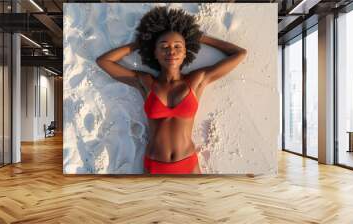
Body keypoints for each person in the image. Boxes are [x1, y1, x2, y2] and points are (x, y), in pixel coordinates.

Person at [96, 6, 247, 174]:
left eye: (178, 46)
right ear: (155, 52)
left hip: (188, 164)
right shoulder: (145, 82)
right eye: (163, 46)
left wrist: (200, 38)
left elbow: (240, 54)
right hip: (154, 165)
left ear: (185, 52)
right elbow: (104, 62)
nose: (171, 51)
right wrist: (141, 43)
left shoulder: (196, 80)